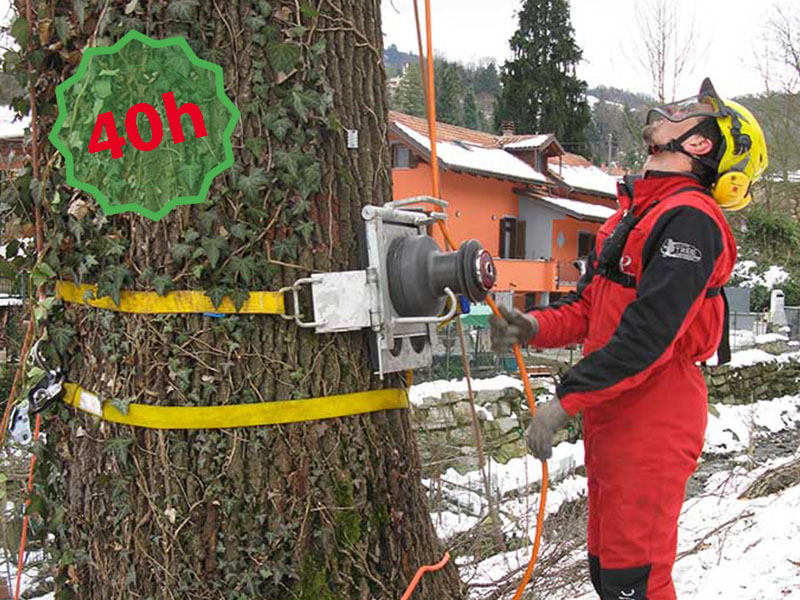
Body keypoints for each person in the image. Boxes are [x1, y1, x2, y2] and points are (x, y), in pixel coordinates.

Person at [490, 78, 767, 600]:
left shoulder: (690, 221)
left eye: (690, 111)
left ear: (700, 144)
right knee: (607, 572)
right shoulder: (636, 212)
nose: (670, 110)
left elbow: (648, 337)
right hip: (615, 411)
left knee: (633, 582)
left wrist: (566, 399)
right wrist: (534, 327)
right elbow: (595, 308)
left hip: (654, 412)